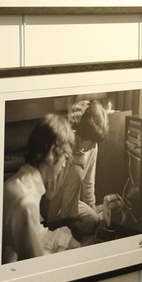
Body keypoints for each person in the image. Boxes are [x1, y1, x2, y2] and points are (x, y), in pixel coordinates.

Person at [3, 114, 80, 263]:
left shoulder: (22, 180)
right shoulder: (26, 202)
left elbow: (35, 231)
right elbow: (34, 263)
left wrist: (66, 240)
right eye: (65, 155)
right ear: (52, 153)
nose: (64, 164)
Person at [43, 100, 109, 240]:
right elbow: (49, 192)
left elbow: (88, 183)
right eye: (91, 140)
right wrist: (69, 161)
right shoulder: (63, 143)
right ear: (81, 134)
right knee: (77, 171)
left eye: (96, 141)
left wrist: (92, 208)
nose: (93, 146)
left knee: (94, 221)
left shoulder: (93, 148)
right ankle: (57, 227)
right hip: (51, 203)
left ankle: (64, 229)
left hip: (71, 205)